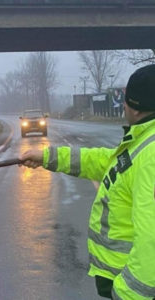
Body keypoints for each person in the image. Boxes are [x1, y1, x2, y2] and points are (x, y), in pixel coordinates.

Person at [19, 65, 155, 300]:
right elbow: (104, 162)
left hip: (130, 286)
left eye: (125, 100)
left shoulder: (151, 153)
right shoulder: (143, 141)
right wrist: (47, 157)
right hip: (121, 276)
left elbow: (151, 240)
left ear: (134, 106)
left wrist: (128, 294)